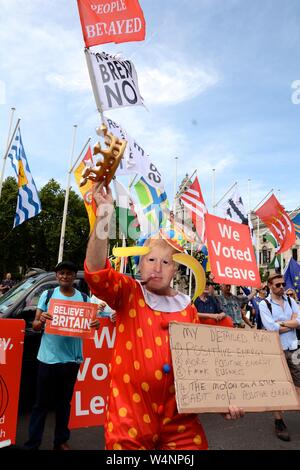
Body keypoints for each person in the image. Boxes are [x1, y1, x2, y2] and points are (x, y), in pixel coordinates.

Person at [84, 183, 244, 451]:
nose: (157, 268)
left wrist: (223, 399)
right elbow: (97, 272)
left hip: (180, 422)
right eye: (150, 260)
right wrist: (103, 217)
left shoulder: (187, 308)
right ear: (140, 264)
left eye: (166, 262)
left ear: (174, 271)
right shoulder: (128, 293)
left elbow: (202, 364)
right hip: (129, 419)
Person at [24, 260, 100, 451]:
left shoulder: (84, 299)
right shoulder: (48, 295)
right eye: (61, 273)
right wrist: (40, 320)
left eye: (69, 273)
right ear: (57, 276)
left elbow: (93, 322)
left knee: (63, 403)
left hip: (71, 360)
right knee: (40, 404)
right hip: (47, 359)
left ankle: (61, 441)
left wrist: (95, 325)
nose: (65, 276)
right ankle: (33, 443)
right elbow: (35, 325)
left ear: (74, 277)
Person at [259, 274, 300, 442]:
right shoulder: (264, 304)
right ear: (270, 286)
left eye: (283, 284)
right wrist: (290, 322)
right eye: (277, 285)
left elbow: (299, 321)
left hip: (295, 348)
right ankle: (279, 421)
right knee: (276, 385)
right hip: (276, 350)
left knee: (298, 382)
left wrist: (281, 324)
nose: (281, 287)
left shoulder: (291, 301)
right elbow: (270, 328)